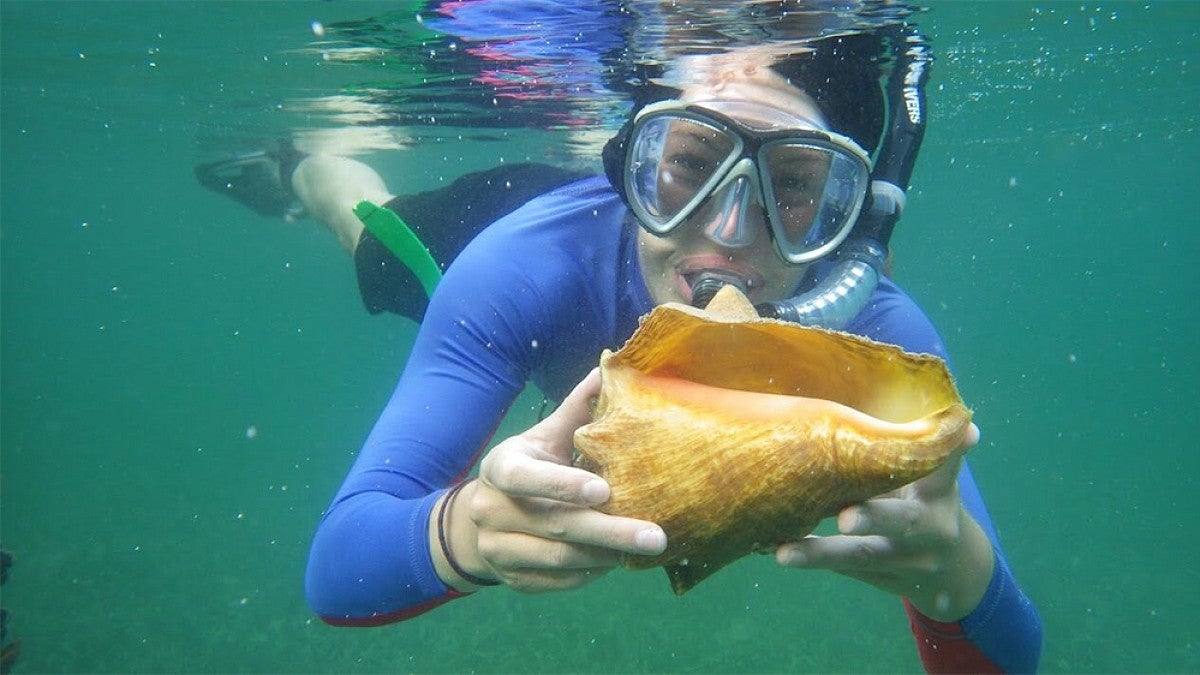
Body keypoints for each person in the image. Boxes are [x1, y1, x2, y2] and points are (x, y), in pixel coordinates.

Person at [199, 20, 1042, 674]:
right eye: (689, 164)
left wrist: (955, 566)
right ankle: (315, 167)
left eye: (792, 185)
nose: (727, 232)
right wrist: (464, 533)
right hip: (517, 232)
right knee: (368, 235)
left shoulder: (878, 334)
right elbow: (335, 567)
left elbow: (1012, 653)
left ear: (844, 218)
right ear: (632, 167)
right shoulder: (521, 269)